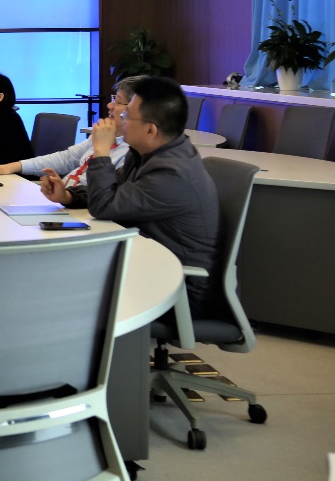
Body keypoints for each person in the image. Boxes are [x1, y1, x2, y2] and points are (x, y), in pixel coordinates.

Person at [39, 76, 220, 315]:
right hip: (145, 265)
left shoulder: (172, 172)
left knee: (59, 294)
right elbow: (114, 190)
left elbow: (104, 206)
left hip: (177, 288)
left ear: (150, 130)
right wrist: (68, 197)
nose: (121, 119)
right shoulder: (147, 153)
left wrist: (101, 151)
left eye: (127, 116)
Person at [0, 76, 139, 184]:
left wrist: (67, 196)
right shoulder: (105, 135)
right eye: (113, 99)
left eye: (118, 102)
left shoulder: (134, 152)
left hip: (81, 208)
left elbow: (106, 195)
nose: (109, 105)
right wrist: (13, 166)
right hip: (63, 198)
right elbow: (67, 158)